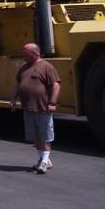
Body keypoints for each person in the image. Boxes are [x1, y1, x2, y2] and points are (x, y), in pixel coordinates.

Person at [10, 43, 61, 174]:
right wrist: (13, 99)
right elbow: (18, 84)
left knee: (45, 136)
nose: (23, 56)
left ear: (34, 54)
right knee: (35, 137)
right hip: (28, 108)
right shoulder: (23, 68)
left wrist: (53, 103)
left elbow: (56, 85)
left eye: (25, 53)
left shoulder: (46, 67)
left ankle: (44, 162)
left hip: (42, 107)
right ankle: (43, 159)